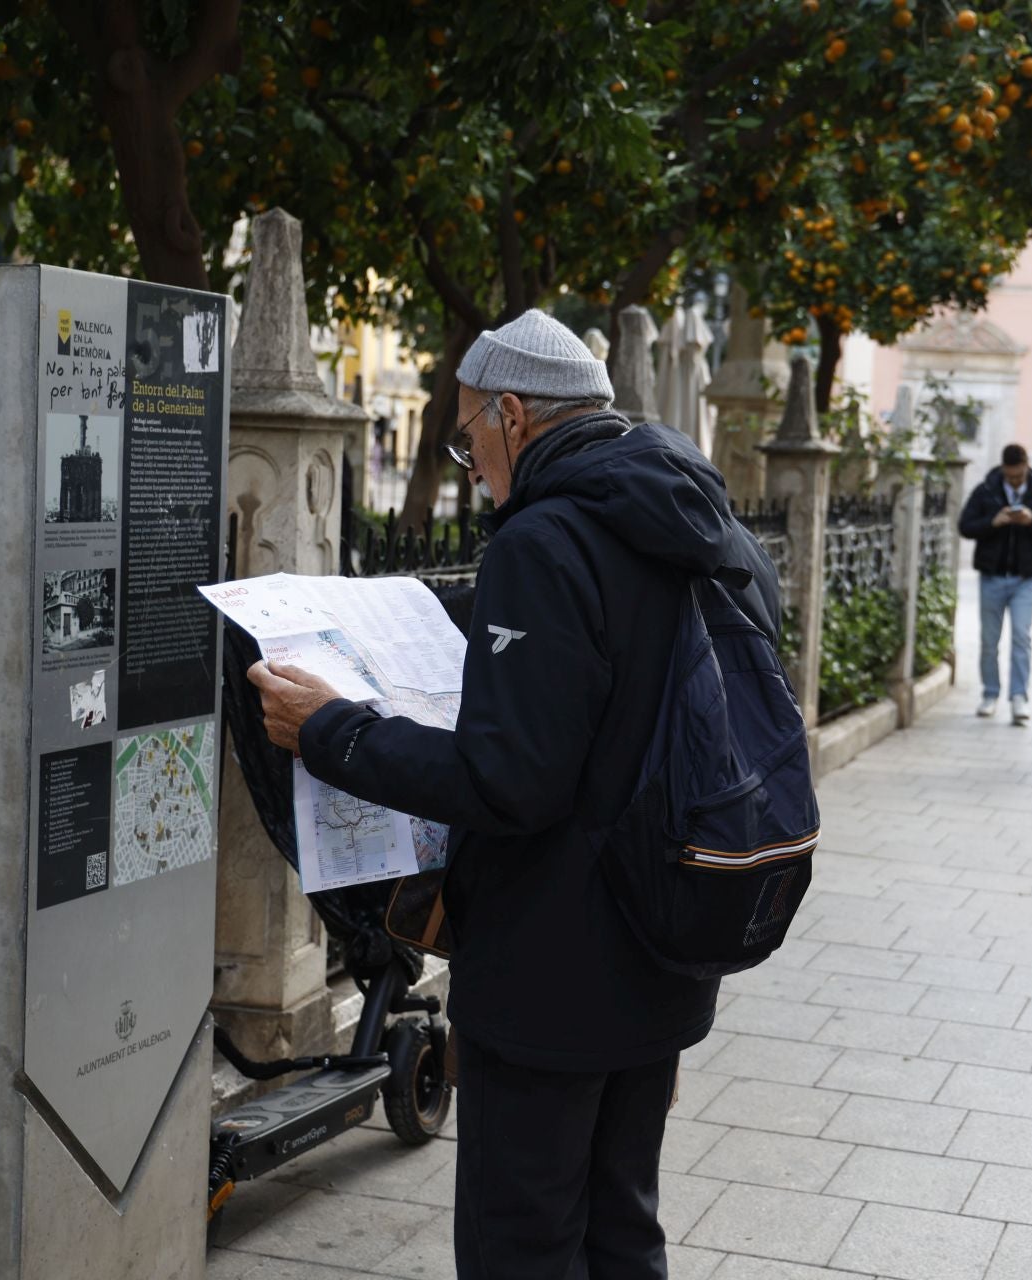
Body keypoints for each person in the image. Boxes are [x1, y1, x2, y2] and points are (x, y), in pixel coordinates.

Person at [245, 309, 779, 1278]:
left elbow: (511, 780)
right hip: (666, 944)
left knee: (520, 1244)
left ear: (515, 414)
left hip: (550, 972)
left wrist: (332, 729)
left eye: (467, 434)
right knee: (622, 1227)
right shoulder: (704, 524)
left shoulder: (545, 541)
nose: (469, 460)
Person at [957, 443, 1032, 724]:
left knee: (1021, 637)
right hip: (992, 576)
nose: (1015, 481)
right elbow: (965, 526)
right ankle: (990, 693)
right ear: (1003, 469)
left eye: (1019, 476)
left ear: (1027, 467)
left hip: (1025, 578)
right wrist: (993, 522)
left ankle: (1019, 697)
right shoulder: (987, 490)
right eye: (1010, 476)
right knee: (989, 640)